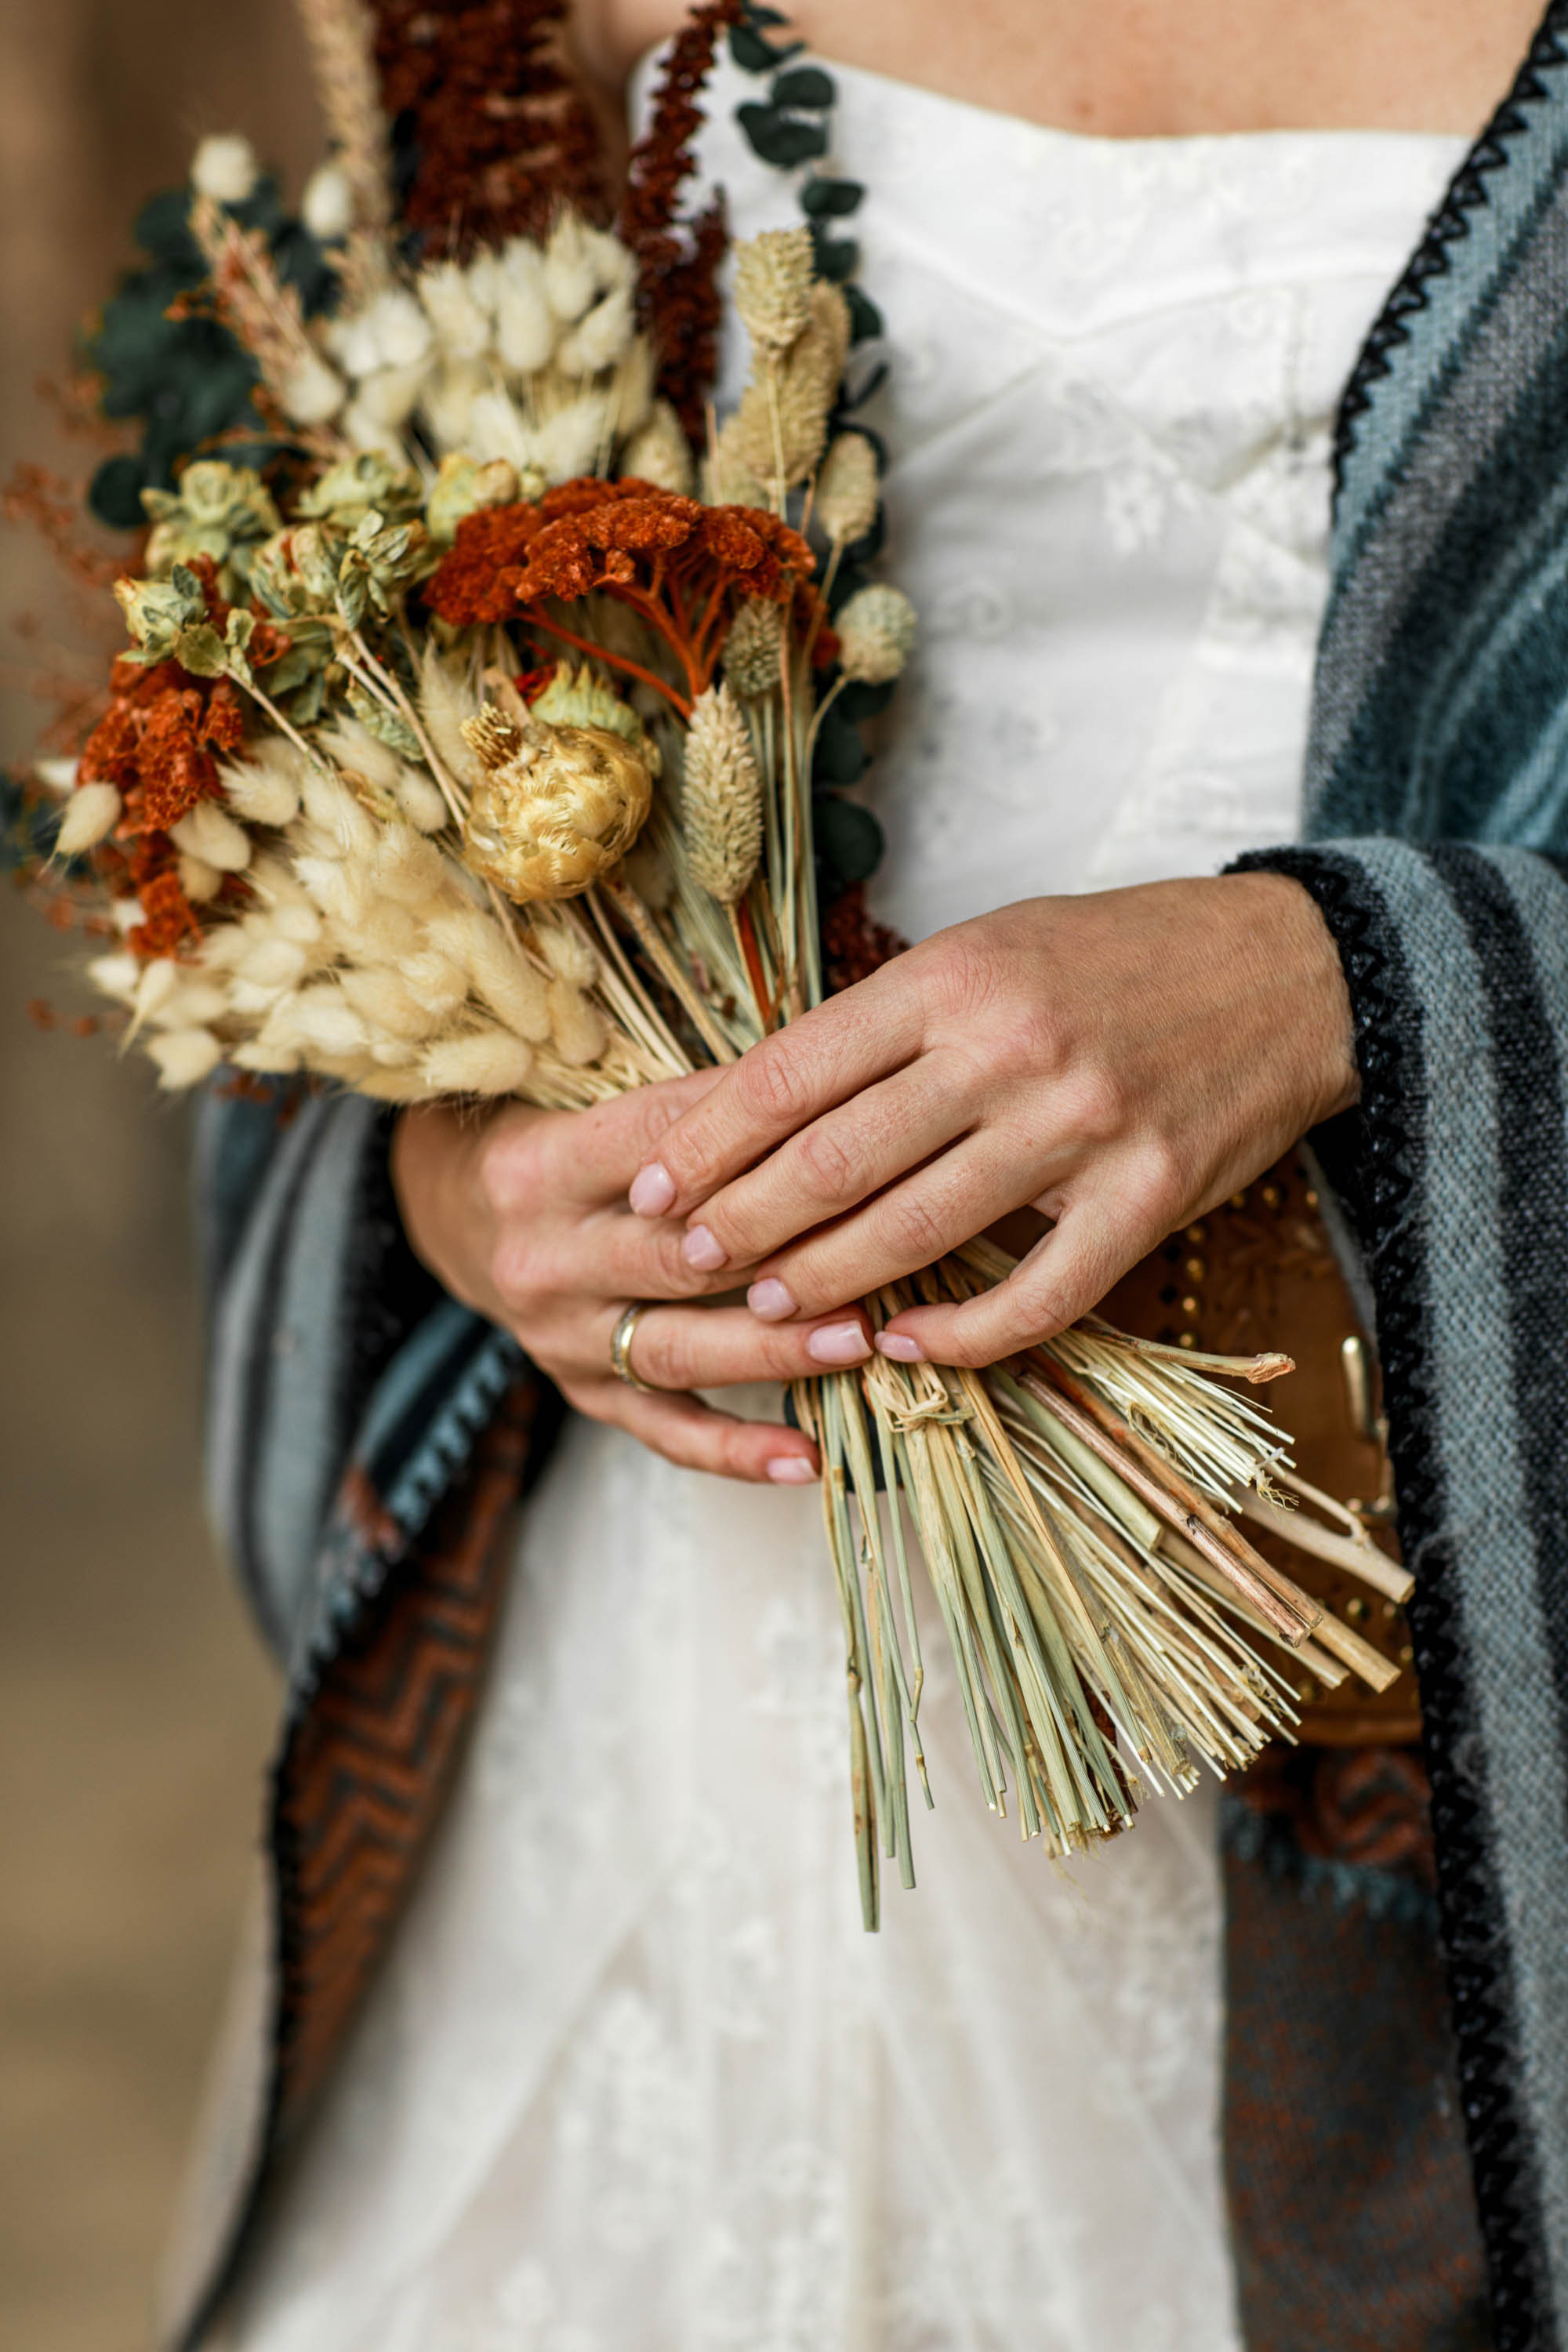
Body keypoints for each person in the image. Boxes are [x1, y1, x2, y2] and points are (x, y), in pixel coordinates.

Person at [175, 3, 1568, 2347]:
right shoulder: (519, 34)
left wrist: (1334, 976)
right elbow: (365, 711)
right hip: (682, 1572)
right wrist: (463, 1185)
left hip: (1355, 1592)